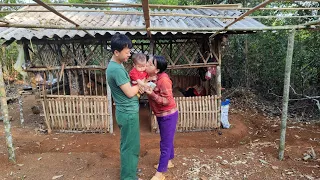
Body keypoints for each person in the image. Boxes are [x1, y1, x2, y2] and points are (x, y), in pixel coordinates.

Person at [106, 33, 142, 180]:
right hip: (128, 114)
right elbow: (129, 93)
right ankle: (128, 177)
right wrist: (139, 86)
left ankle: (130, 170)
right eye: (127, 52)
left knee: (127, 144)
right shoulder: (117, 69)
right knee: (131, 147)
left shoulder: (115, 66)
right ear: (116, 52)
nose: (129, 55)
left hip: (125, 112)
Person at [139, 55, 178, 180]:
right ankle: (169, 162)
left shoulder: (164, 80)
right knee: (167, 138)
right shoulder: (154, 77)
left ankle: (160, 173)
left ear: (156, 70)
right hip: (162, 114)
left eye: (150, 64)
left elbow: (167, 100)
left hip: (168, 115)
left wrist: (151, 94)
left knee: (165, 143)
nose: (146, 65)